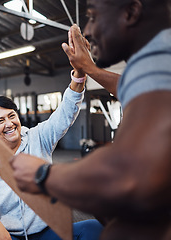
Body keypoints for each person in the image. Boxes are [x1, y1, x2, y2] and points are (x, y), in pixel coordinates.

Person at [10, 0, 171, 239]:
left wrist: (43, 175)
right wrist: (89, 69)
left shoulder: (158, 57)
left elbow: (127, 174)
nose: (87, 30)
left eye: (93, 16)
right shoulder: (156, 61)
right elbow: (129, 87)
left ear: (131, 12)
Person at [0, 76, 103, 239]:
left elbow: (66, 112)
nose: (9, 124)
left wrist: (79, 76)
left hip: (46, 231)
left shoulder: (39, 137)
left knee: (93, 228)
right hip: (8, 234)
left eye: (11, 116)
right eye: (0, 120)